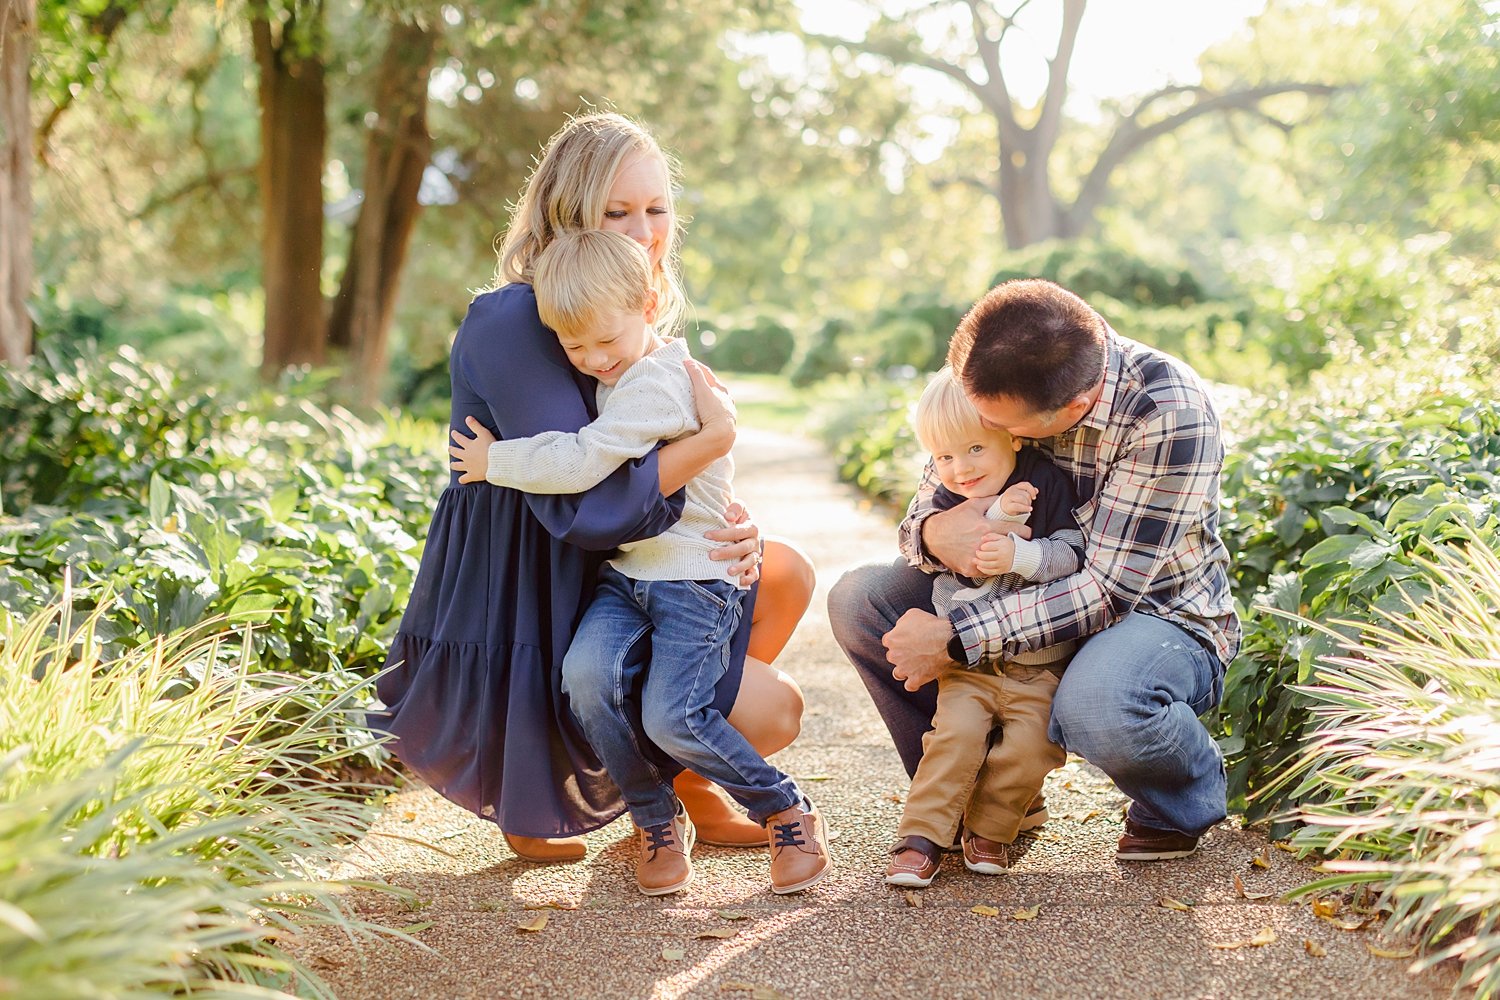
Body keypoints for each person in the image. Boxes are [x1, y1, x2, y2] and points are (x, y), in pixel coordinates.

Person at [377, 112, 814, 865]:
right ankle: (556, 771)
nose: (644, 230)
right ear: (565, 209)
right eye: (617, 211)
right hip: (533, 586)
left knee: (783, 573)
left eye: (656, 209)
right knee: (772, 709)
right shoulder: (518, 316)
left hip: (621, 561)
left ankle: (687, 780)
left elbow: (651, 460)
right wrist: (711, 440)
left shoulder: (620, 306)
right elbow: (584, 504)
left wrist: (721, 511)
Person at [450, 228, 831, 896]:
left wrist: (494, 463)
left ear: (650, 304)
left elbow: (581, 460)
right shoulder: (620, 367)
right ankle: (657, 818)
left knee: (672, 716)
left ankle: (784, 810)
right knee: (588, 676)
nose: (594, 359)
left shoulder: (658, 386)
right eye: (574, 347)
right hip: (630, 577)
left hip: (694, 581)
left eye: (606, 341)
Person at [829, 278, 1240, 862]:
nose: (996, 438)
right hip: (1011, 588)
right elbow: (929, 505)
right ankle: (978, 794)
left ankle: (1181, 796)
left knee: (1100, 704)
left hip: (1151, 613)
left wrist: (961, 638)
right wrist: (931, 531)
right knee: (861, 598)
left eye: (1010, 432)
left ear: (1072, 410)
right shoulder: (1001, 378)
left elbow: (1105, 592)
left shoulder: (1168, 414)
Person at [884, 367, 1083, 888]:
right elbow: (914, 536)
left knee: (1035, 747)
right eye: (944, 457)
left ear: (1011, 432)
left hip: (1038, 664)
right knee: (954, 735)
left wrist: (1024, 553)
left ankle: (990, 828)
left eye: (974, 449)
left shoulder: (1047, 482)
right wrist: (956, 530)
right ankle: (921, 837)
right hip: (968, 663)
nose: (960, 468)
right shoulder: (950, 493)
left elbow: (1074, 553)